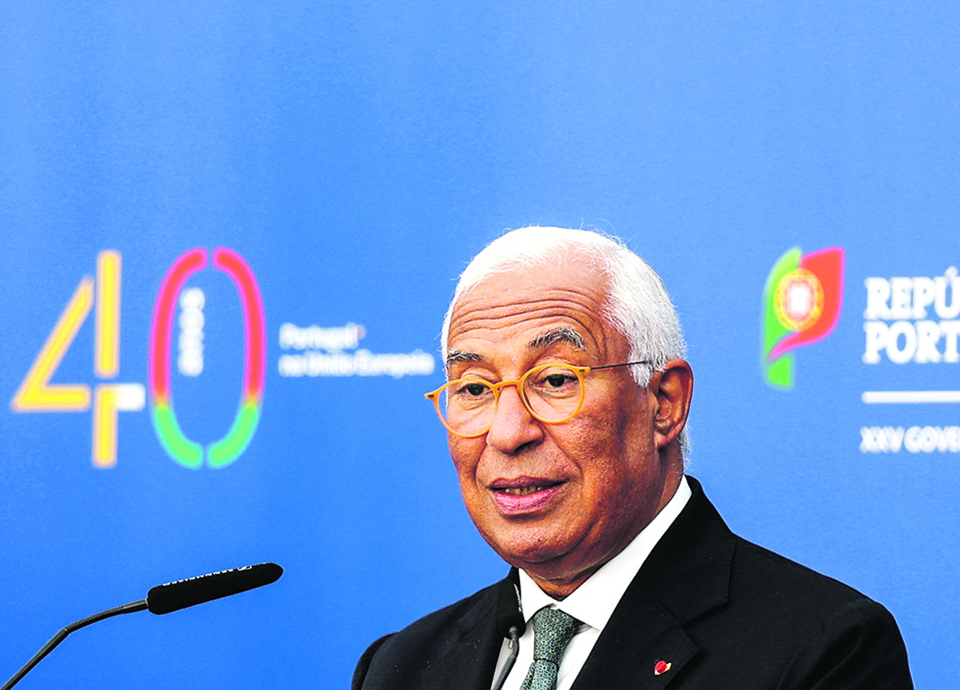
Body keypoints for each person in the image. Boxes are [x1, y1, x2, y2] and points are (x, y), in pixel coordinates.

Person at [352, 227, 913, 690]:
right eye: (474, 388)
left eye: (555, 379)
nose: (508, 432)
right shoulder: (400, 667)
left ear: (663, 404)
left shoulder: (822, 651)